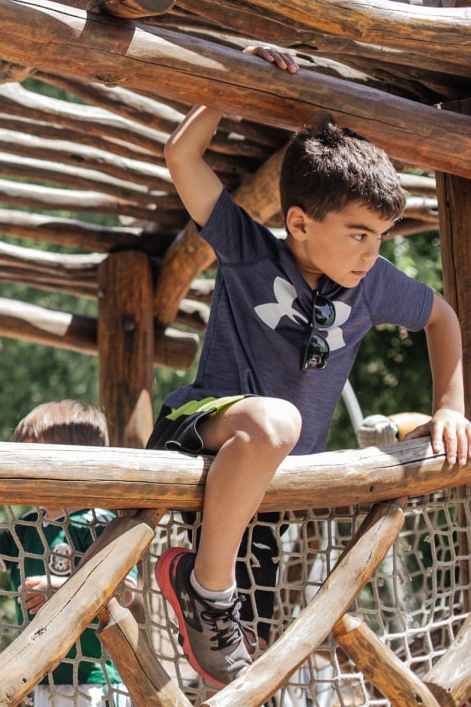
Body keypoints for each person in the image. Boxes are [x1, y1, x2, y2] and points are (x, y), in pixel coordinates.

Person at [151, 46, 471, 687]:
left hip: (272, 497)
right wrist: (231, 81)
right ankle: (201, 583)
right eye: (358, 233)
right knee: (276, 422)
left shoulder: (373, 284)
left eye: (380, 235)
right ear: (299, 221)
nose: (371, 251)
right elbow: (182, 158)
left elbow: (443, 318)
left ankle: (213, 597)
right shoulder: (249, 252)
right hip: (204, 429)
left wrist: (450, 406)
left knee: (241, 666)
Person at [0, 400, 135, 707]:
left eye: (35, 462)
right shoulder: (31, 526)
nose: (25, 473)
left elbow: (124, 592)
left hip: (91, 677)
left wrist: (64, 592)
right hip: (38, 674)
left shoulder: (98, 522)